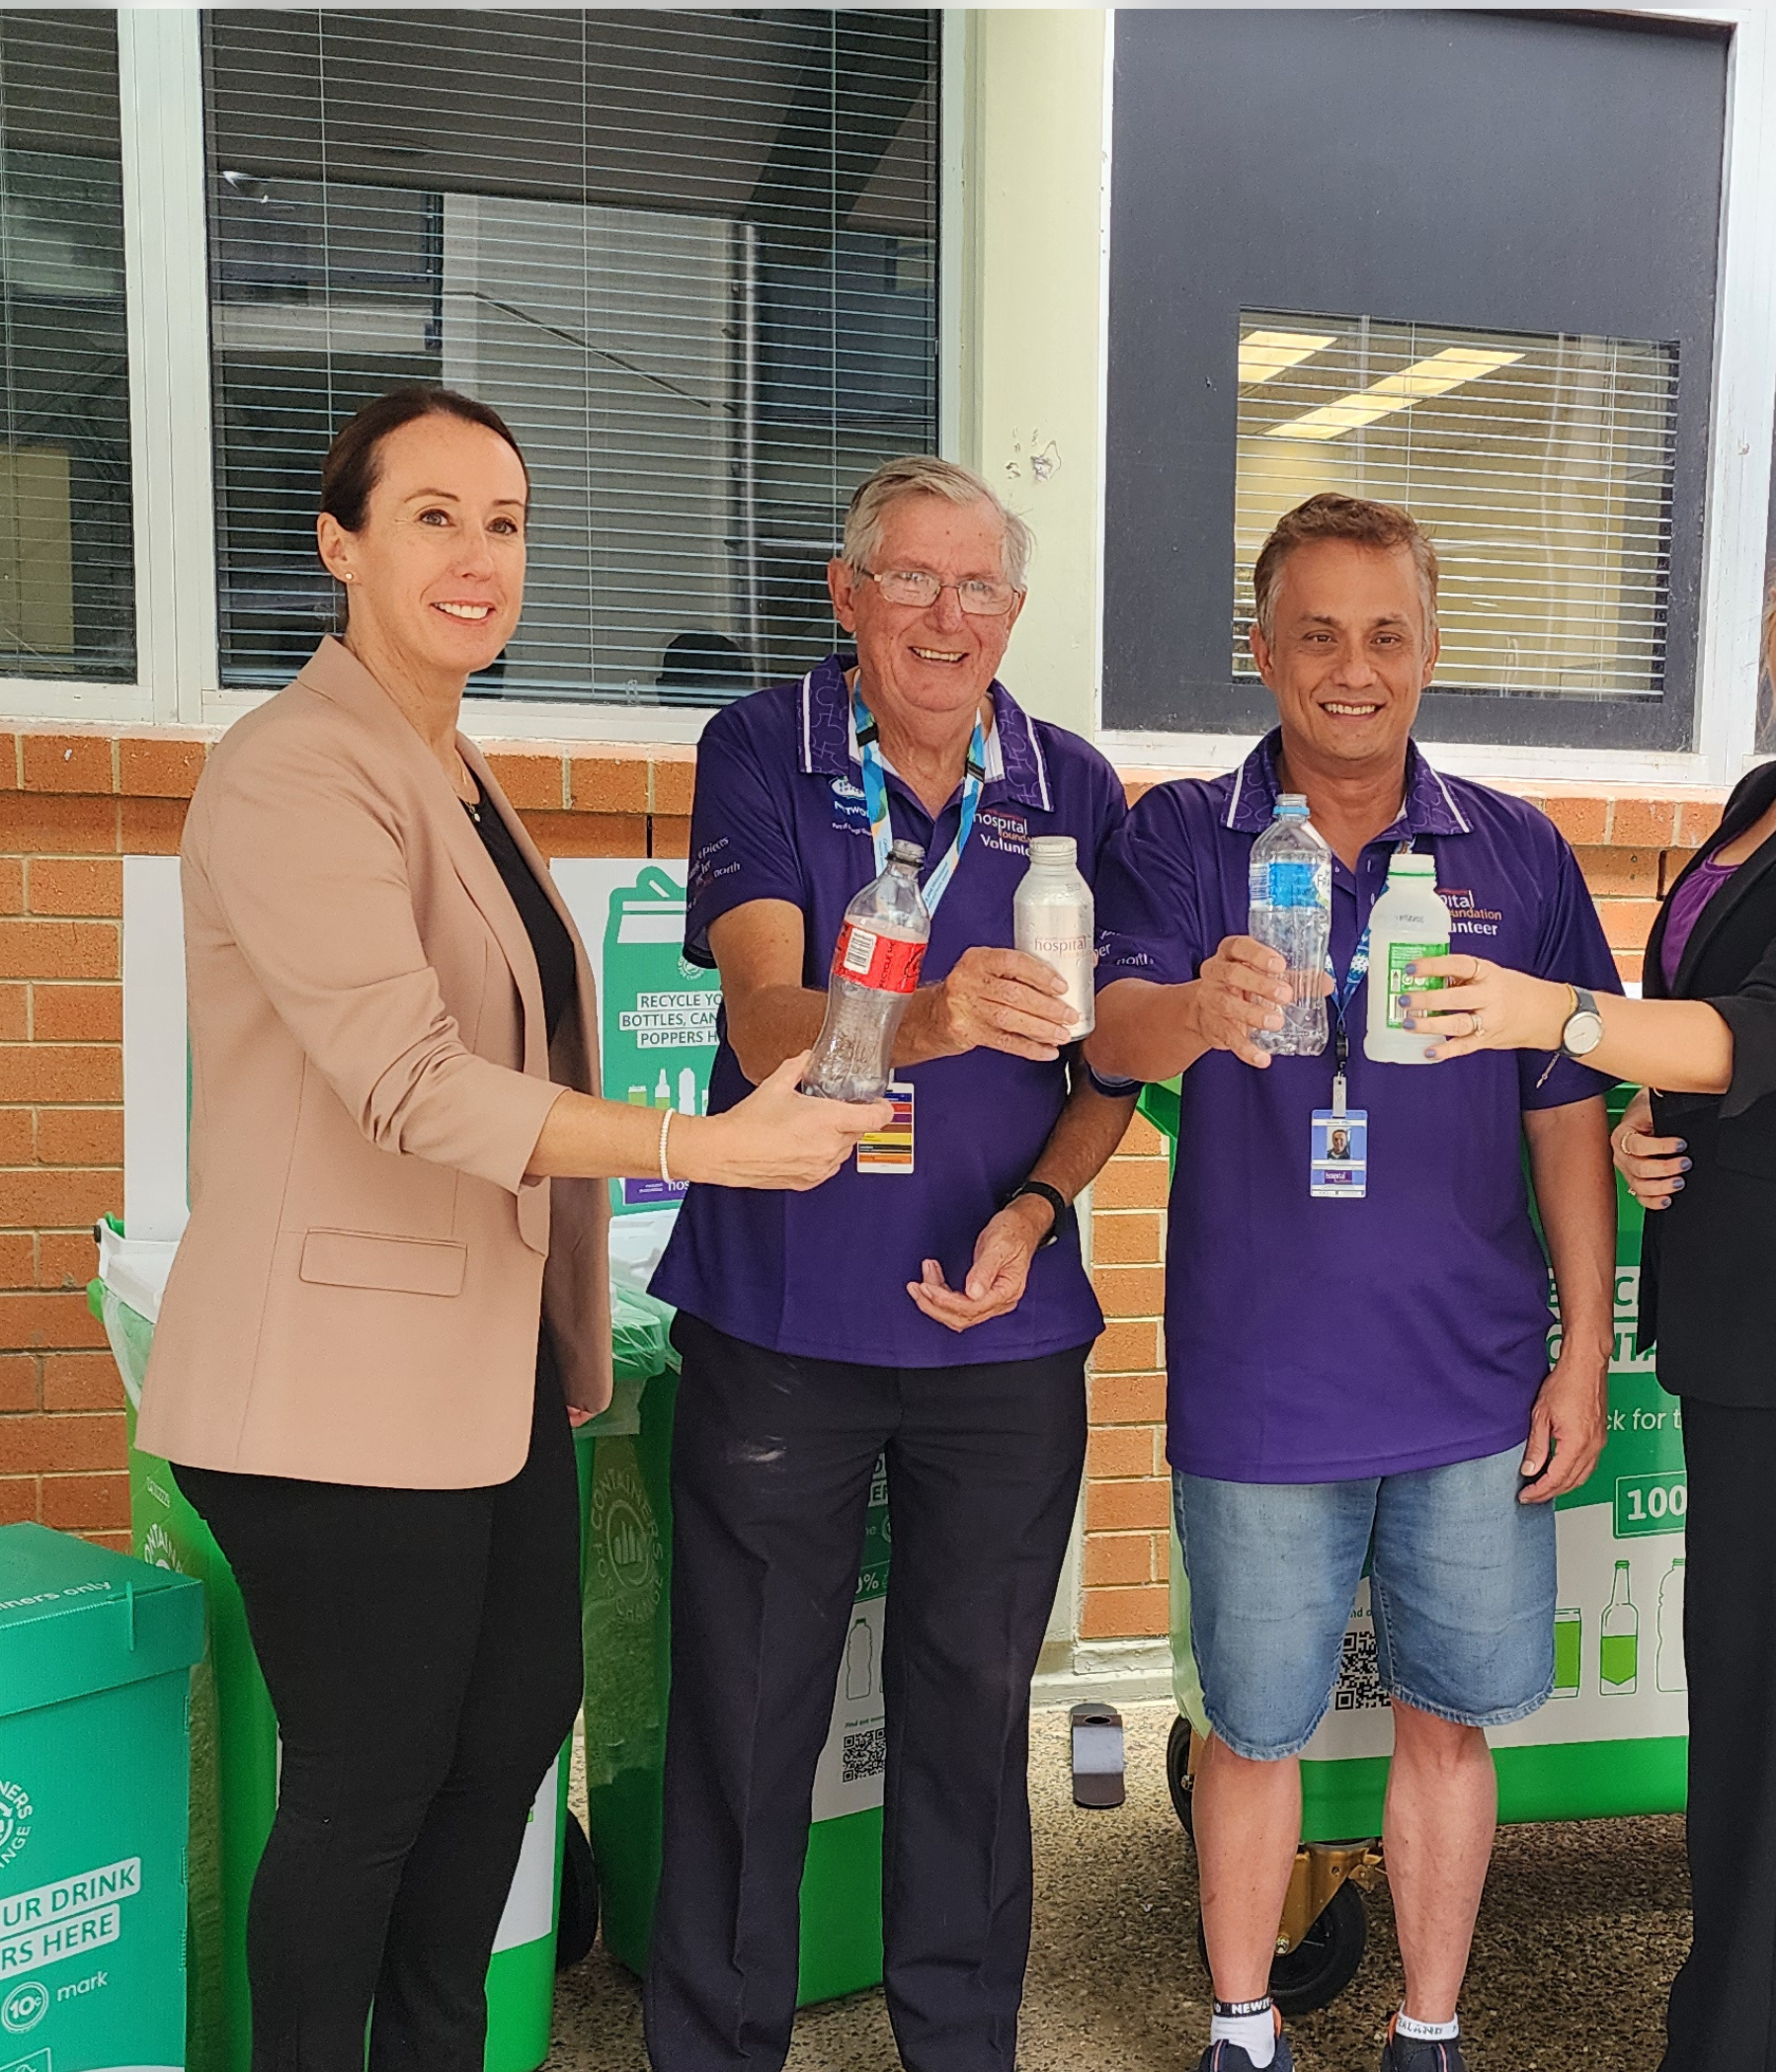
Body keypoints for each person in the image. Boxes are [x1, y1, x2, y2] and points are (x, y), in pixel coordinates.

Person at [140, 386, 883, 2072]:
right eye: (433, 517)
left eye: (507, 522)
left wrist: (561, 1334)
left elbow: (517, 1062)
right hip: (328, 1395)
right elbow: (415, 1081)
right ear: (339, 545)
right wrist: (709, 1147)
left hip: (477, 1389)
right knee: (367, 1799)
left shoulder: (450, 767)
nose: (479, 558)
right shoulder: (294, 773)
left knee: (496, 1767)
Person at [1413, 464, 1776, 2072]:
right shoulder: (1768, 794)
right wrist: (1660, 1128)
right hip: (1747, 1332)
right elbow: (1728, 1057)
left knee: (1771, 1764)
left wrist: (1555, 1018)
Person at [1090, 493, 1621, 2072]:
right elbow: (1104, 1042)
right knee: (1251, 1730)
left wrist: (1581, 1349)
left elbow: (1569, 1113)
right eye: (1315, 632)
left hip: (1467, 1381)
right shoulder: (1184, 834)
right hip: (1262, 1380)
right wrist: (1196, 1003)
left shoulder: (1514, 851)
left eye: (1386, 633)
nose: (1352, 667)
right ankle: (1243, 2029)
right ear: (1261, 648)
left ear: (1431, 650)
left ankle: (1430, 2032)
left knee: (1448, 1723)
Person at [645, 456, 1137, 2072]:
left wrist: (1038, 1212)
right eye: (911, 581)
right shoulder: (762, 748)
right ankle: (719, 2048)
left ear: (1013, 609)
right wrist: (920, 1021)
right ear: (848, 596)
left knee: (971, 1717)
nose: (947, 616)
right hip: (786, 1311)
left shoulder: (1074, 785)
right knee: (750, 1714)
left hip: (1000, 1331)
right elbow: (762, 1020)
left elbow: (1109, 1070)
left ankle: (961, 2043)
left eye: (980, 585)